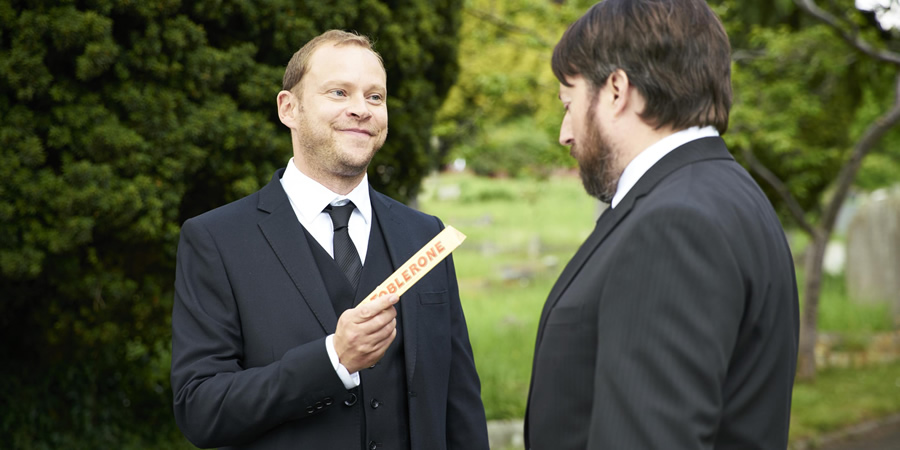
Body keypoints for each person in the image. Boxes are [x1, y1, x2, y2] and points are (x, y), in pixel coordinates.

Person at [170, 30, 489, 450]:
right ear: (289, 108)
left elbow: (459, 402)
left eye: (375, 97)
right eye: (339, 92)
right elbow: (200, 408)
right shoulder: (216, 240)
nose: (361, 109)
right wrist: (332, 360)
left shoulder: (424, 234)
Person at [525, 1, 800, 449]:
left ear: (616, 90)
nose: (565, 133)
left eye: (568, 103)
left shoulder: (674, 224)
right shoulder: (731, 193)